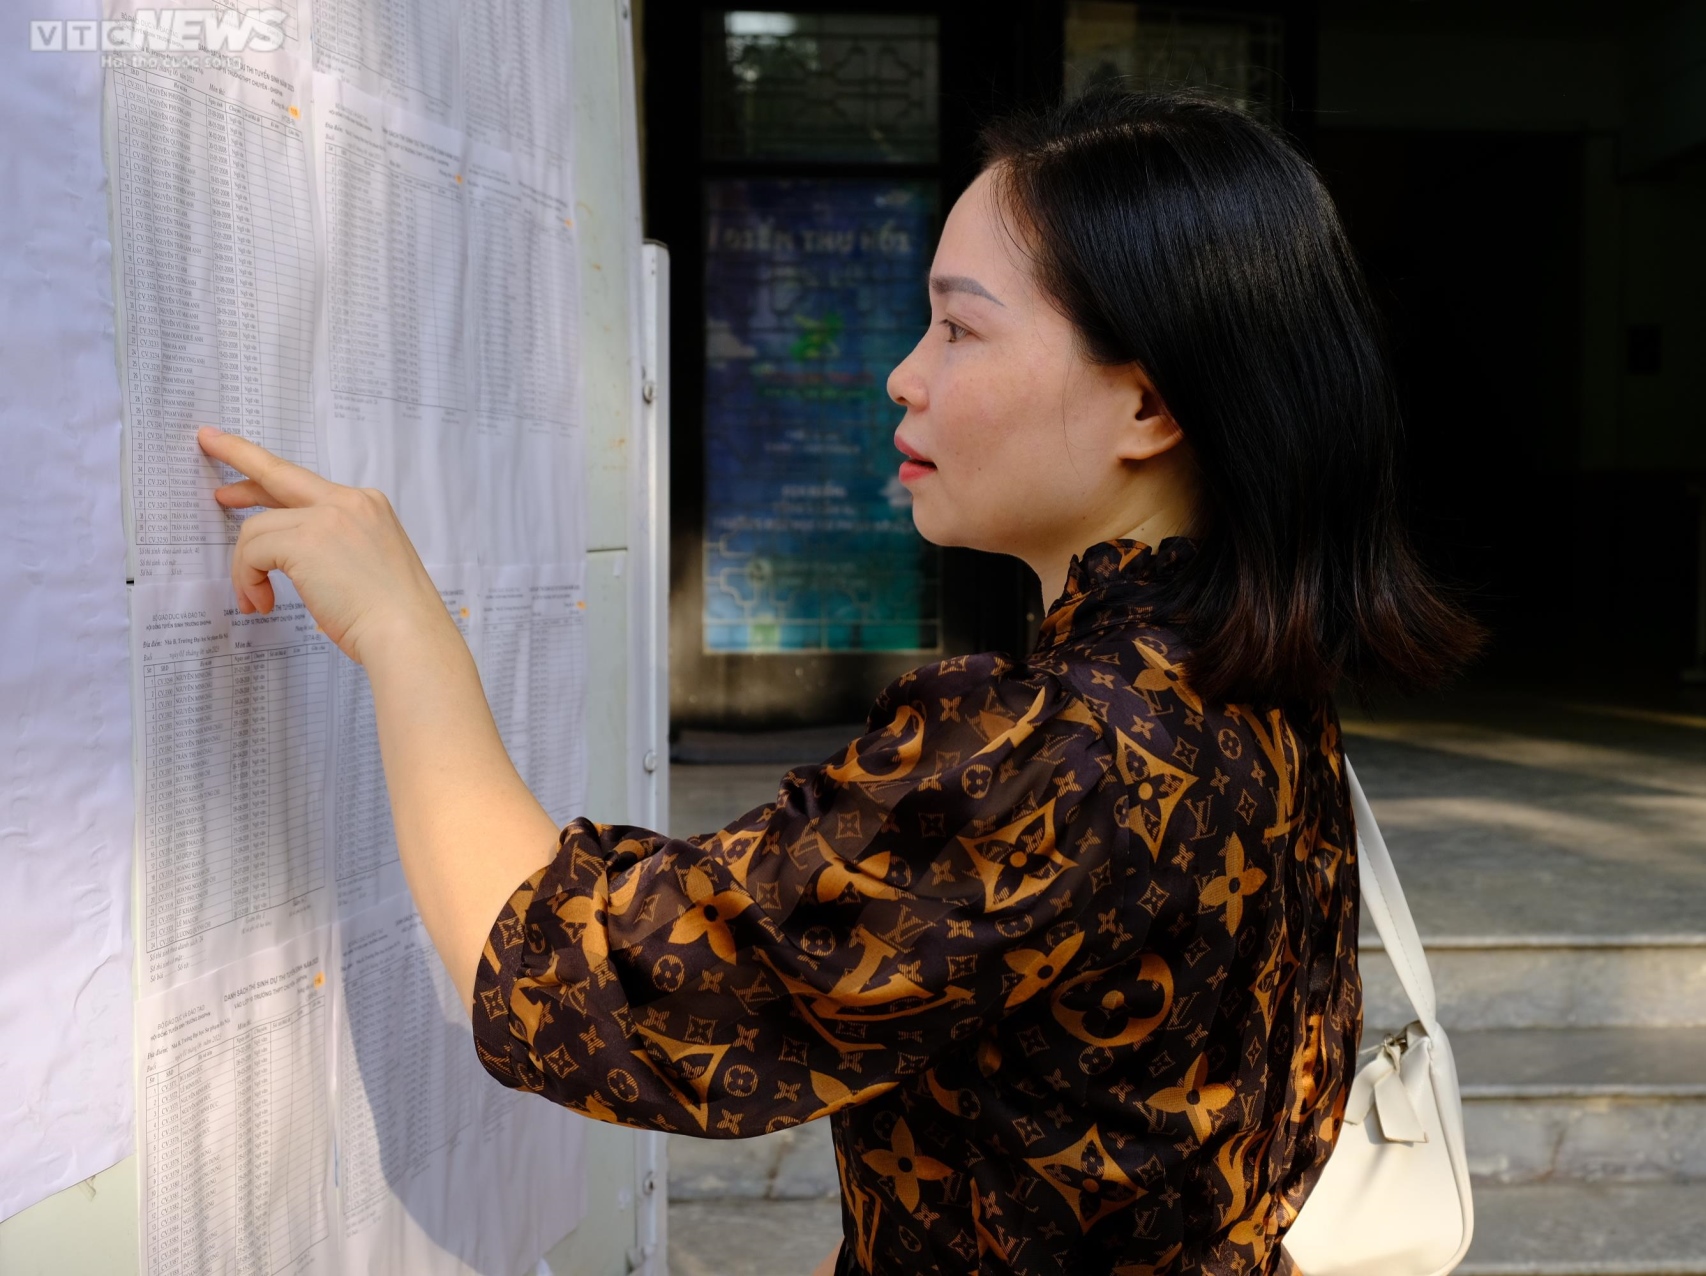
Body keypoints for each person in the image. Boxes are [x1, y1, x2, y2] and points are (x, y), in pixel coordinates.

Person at [198, 89, 1480, 1276]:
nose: (904, 373)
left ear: (1147, 403)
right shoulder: (1246, 685)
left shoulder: (1055, 753)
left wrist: (405, 632)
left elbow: (578, 982)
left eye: (961, 325)